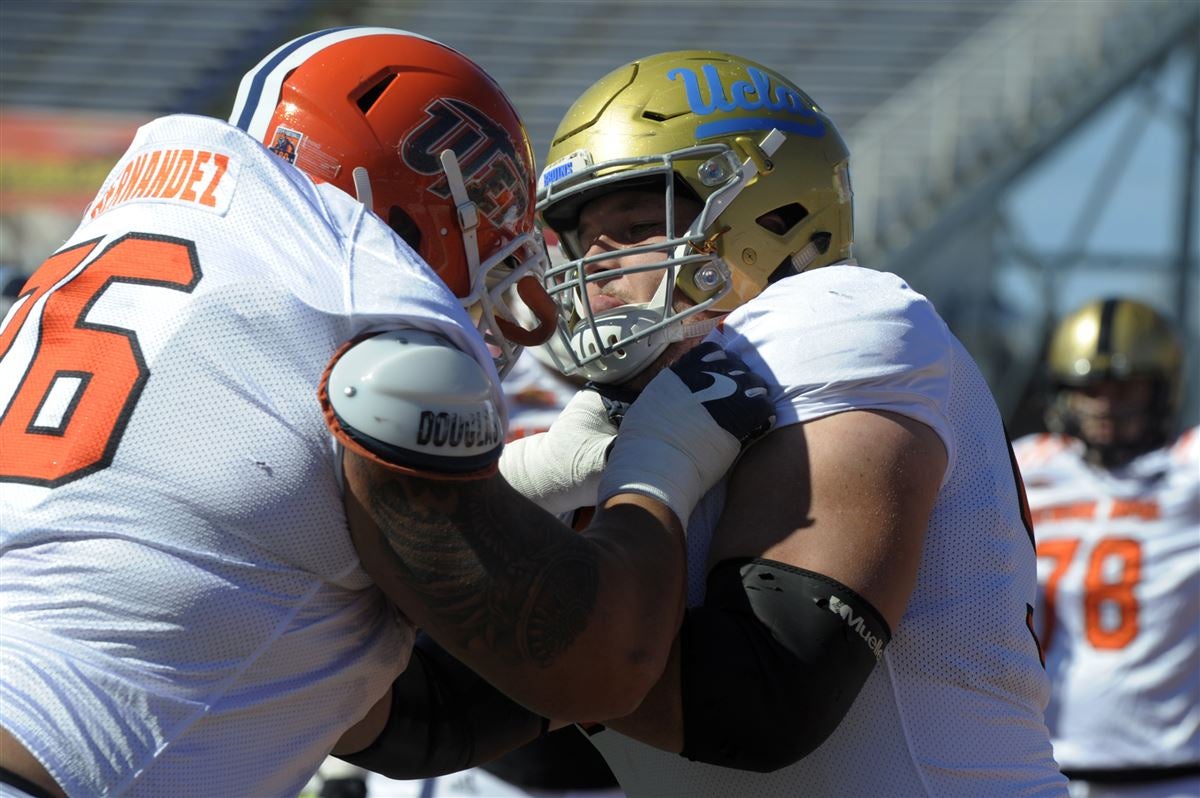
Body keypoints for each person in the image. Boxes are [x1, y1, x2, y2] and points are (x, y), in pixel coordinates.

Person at [0, 30, 774, 798]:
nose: (510, 280)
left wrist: (530, 474)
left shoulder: (133, 272)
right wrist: (664, 462)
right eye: (493, 221)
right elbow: (598, 668)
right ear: (407, 197)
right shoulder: (363, 331)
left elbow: (394, 707)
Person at [511, 49, 1070, 795]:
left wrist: (473, 544)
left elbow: (761, 699)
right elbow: (427, 721)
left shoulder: (844, 312)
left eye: (639, 227)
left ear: (773, 219)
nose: (598, 272)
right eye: (586, 243)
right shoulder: (608, 422)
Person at [1015, 298, 1198, 798]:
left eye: (1125, 388)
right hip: (1040, 769)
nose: (1104, 405)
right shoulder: (1028, 466)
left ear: (1162, 388)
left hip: (1169, 775)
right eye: (1089, 388)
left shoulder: (1187, 473)